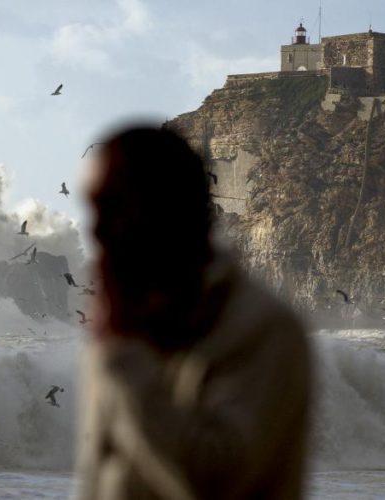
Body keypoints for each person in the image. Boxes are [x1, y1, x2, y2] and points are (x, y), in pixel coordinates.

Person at [76, 126, 311, 500]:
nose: (96, 229)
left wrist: (123, 353)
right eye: (93, 209)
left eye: (113, 206)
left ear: (168, 209)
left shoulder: (260, 328)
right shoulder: (130, 316)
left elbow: (214, 480)